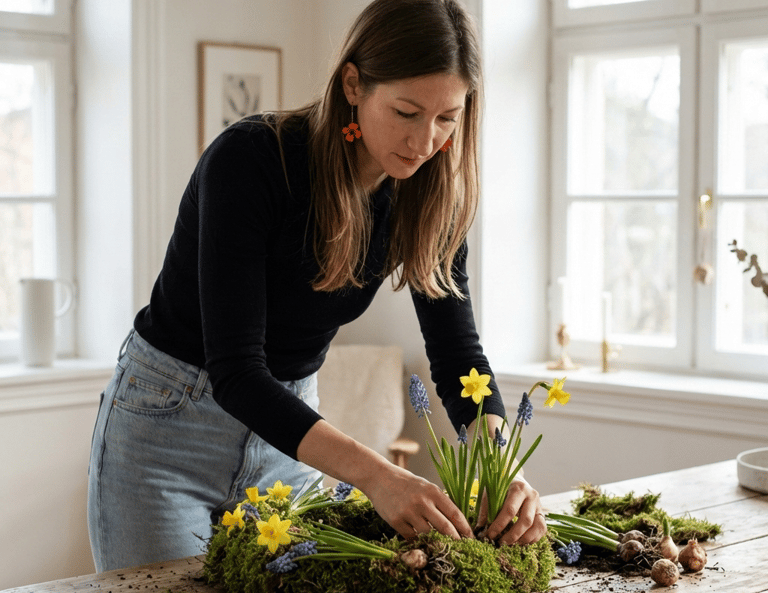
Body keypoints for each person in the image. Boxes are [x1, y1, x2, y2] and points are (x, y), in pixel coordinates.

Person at [87, 0, 546, 573]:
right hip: (168, 430)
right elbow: (236, 372)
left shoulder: (430, 195)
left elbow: (459, 360)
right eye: (406, 111)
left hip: (290, 438)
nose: (425, 141)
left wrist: (503, 468)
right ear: (353, 83)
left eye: (448, 118)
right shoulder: (254, 159)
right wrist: (380, 475)